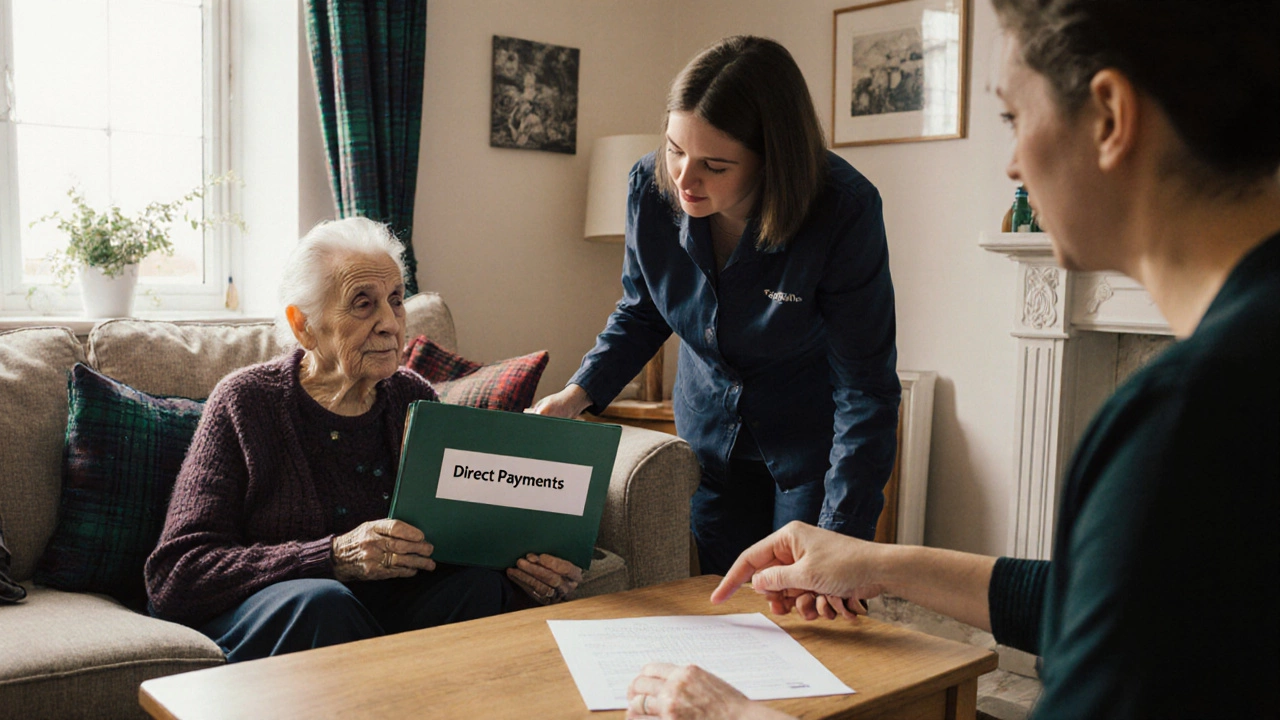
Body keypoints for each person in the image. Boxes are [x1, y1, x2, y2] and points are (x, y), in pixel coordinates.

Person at [623, 0, 1280, 717]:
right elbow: (1106, 599)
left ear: (1111, 118)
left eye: (1011, 119)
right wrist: (878, 563)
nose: (1012, 164)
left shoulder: (1184, 420)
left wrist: (742, 714)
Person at [533, 36, 901, 584]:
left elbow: (865, 388)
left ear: (771, 159)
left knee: (807, 614)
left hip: (812, 450)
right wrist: (578, 394)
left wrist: (840, 535)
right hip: (709, 442)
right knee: (721, 606)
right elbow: (643, 310)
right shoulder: (648, 187)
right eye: (675, 150)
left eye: (715, 164)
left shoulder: (843, 210)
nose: (684, 179)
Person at [144, 217, 582, 662]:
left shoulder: (413, 397)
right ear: (304, 326)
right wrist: (333, 556)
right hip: (276, 607)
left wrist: (529, 570)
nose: (390, 323)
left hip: (387, 605)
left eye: (395, 301)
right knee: (324, 604)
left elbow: (452, 540)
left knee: (481, 589)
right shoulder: (246, 401)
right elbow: (177, 574)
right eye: (363, 304)